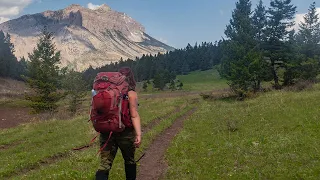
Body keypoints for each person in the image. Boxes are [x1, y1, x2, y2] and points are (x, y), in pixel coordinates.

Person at [95, 67, 142, 180]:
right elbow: (134, 115)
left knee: (104, 165)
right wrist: (138, 134)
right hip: (125, 132)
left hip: (107, 131)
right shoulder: (131, 93)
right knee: (129, 160)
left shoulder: (105, 91)